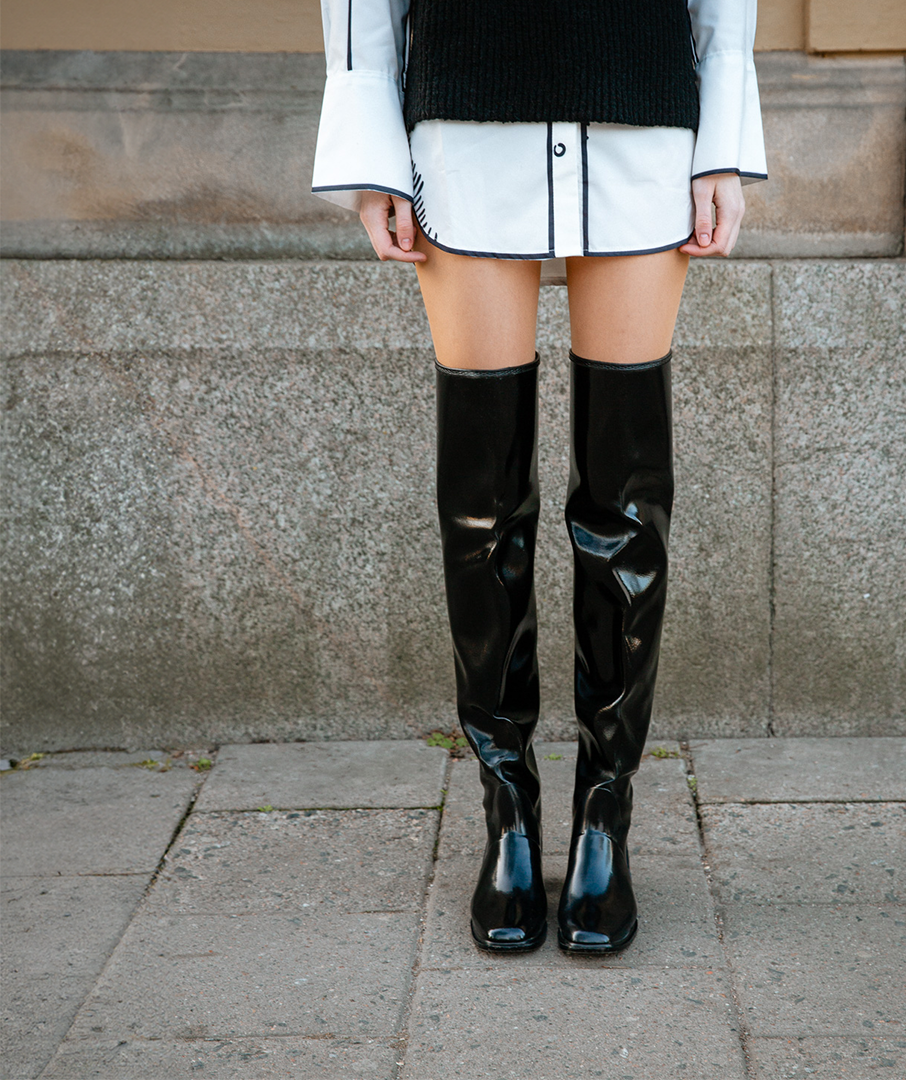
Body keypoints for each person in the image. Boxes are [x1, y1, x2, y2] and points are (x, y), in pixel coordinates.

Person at [311, 0, 766, 954]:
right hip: (467, 115)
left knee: (627, 508)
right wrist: (370, 144)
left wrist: (722, 135)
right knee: (482, 517)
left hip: (639, 112)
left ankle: (606, 816)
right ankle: (506, 811)